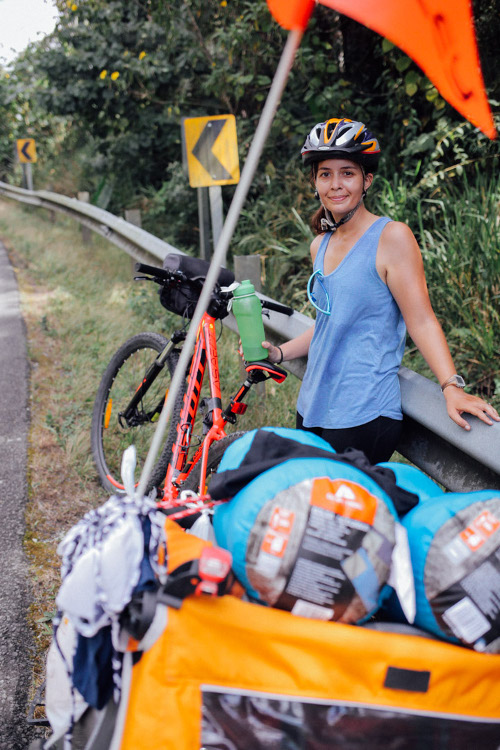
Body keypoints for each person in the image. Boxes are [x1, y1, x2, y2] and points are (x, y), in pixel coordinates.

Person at [262, 117, 499, 464]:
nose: (336, 184)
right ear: (314, 182)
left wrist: (451, 386)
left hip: (364, 413)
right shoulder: (320, 246)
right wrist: (280, 354)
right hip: (312, 406)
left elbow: (422, 321)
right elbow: (329, 326)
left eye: (348, 173)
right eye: (325, 174)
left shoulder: (392, 237)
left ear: (366, 180)